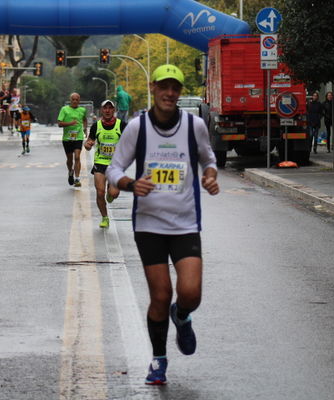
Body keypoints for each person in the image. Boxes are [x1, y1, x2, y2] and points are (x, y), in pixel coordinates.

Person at [106, 64, 220, 386]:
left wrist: (210, 176)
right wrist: (130, 183)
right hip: (149, 225)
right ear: (154, 88)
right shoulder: (137, 128)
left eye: (176, 88)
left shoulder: (193, 125)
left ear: (179, 93)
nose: (170, 94)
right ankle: (158, 360)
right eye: (165, 87)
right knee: (160, 295)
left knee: (190, 292)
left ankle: (182, 315)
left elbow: (208, 159)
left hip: (185, 223)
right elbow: (115, 168)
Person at [84, 100, 126, 228]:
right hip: (100, 162)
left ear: (114, 111)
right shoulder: (96, 126)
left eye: (110, 108)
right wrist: (88, 145)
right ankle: (104, 217)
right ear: (102, 110)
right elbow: (89, 142)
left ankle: (110, 193)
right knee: (99, 192)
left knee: (114, 194)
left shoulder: (122, 125)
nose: (107, 110)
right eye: (105, 108)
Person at [57, 92, 87, 187]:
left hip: (78, 137)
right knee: (69, 159)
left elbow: (85, 119)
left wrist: (85, 129)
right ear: (70, 100)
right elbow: (59, 123)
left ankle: (77, 179)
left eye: (76, 99)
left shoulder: (82, 110)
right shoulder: (64, 109)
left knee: (77, 157)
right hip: (67, 138)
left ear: (79, 100)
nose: (74, 101)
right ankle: (70, 171)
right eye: (73, 99)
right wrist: (70, 123)